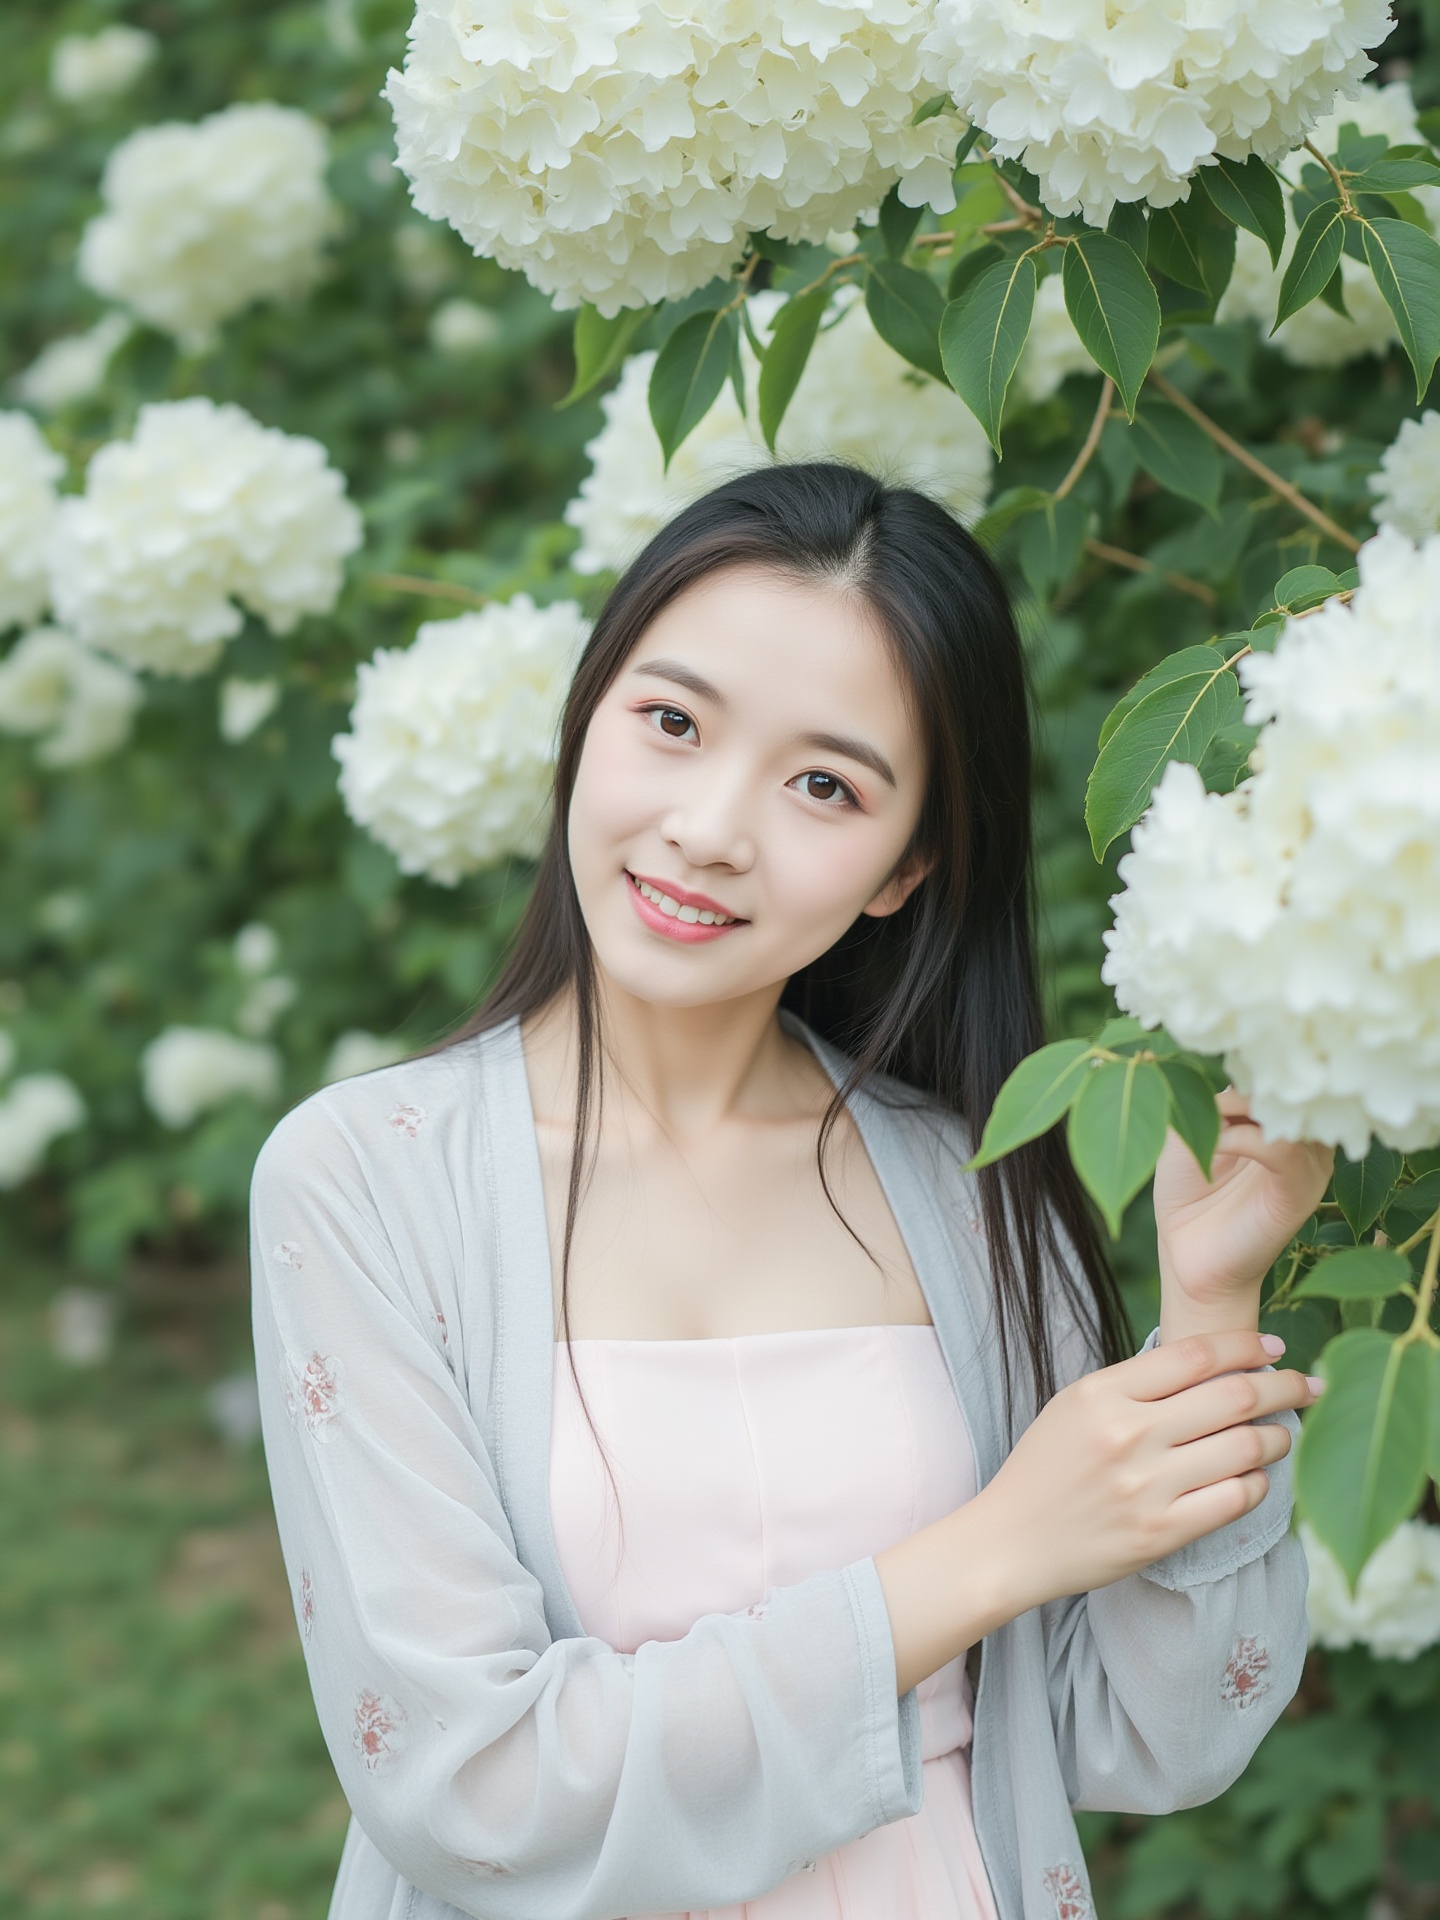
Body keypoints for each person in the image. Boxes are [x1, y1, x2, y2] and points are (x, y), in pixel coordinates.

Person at [250, 462, 1329, 1920]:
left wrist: (1208, 1297)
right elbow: (475, 1790)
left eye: (825, 784)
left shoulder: (970, 1181)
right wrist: (991, 1549)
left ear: (906, 867)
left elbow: (1152, 1734)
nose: (710, 827)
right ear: (588, 720)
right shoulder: (366, 1183)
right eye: (674, 723)